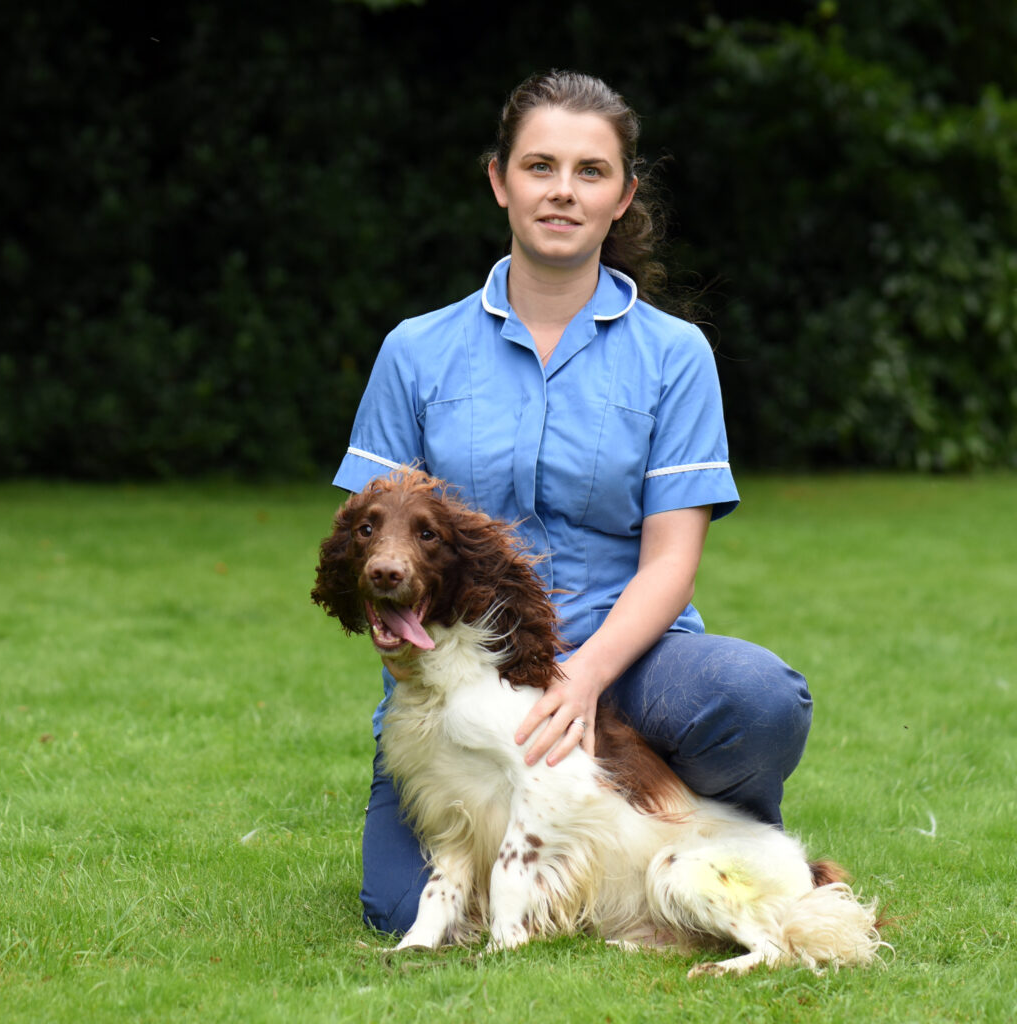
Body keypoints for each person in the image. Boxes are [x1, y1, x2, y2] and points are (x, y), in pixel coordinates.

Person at [332, 70, 813, 935]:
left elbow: (672, 561)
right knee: (399, 910)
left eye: (591, 171)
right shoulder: (416, 350)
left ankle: (721, 853)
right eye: (540, 166)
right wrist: (390, 627)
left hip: (637, 666)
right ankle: (600, 869)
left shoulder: (676, 355)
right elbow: (376, 536)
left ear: (623, 197)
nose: (563, 190)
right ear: (499, 181)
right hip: (467, 682)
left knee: (758, 697)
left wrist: (581, 678)